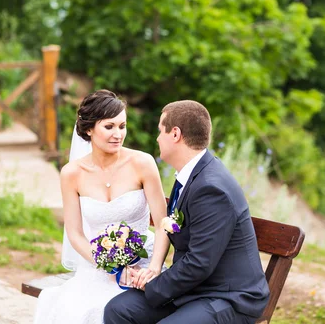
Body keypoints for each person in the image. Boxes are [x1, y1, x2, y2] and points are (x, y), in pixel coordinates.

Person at [104, 100, 270, 324]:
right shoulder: (190, 175)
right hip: (195, 289)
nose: (157, 138)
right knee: (118, 310)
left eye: (160, 131)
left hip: (227, 297)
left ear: (175, 134)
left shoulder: (212, 188)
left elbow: (199, 262)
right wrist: (152, 274)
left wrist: (152, 285)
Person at [33, 89, 169, 324]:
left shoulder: (142, 163)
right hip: (97, 266)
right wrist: (108, 266)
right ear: (89, 129)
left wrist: (154, 269)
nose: (118, 134)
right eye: (109, 127)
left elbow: (162, 224)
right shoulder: (71, 174)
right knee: (76, 311)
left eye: (122, 126)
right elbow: (75, 233)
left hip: (143, 265)